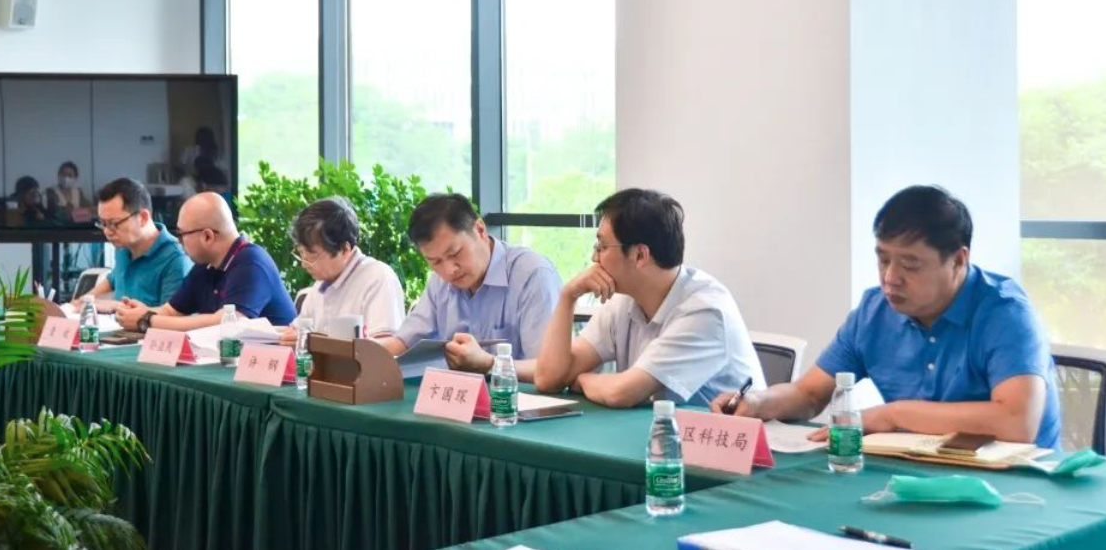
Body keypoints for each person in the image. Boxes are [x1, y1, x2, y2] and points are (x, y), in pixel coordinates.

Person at [712, 185, 1062, 448]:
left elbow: (1017, 422)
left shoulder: (1005, 313)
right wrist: (757, 402)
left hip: (1017, 487)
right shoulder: (874, 311)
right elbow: (809, 394)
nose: (890, 278)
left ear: (958, 260)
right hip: (918, 475)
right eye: (883, 260)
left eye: (910, 264)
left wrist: (893, 415)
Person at [534, 189, 764, 408]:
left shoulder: (705, 311)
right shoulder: (625, 301)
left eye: (602, 247)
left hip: (725, 434)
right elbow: (548, 379)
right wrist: (568, 297)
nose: (594, 258)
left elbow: (621, 393)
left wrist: (582, 379)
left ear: (640, 255)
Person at [380, 193, 561, 382]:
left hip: (520, 398)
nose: (449, 270)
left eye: (455, 253)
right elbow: (404, 342)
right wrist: (363, 353)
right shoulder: (440, 282)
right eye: (435, 262)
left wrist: (490, 364)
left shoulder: (533, 275)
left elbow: (551, 368)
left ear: (480, 230)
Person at [116, 192, 296, 333]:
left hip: (271, 363)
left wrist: (148, 320)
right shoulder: (205, 265)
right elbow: (171, 311)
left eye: (181, 234)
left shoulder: (251, 263)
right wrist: (141, 313)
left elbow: (228, 322)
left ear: (207, 236)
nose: (179, 241)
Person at [280, 197, 405, 345]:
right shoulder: (320, 285)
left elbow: (381, 349)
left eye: (312, 256)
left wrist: (313, 342)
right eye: (301, 253)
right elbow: (296, 331)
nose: (304, 264)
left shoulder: (378, 278)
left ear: (345, 250)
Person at [75, 178, 192, 314]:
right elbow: (113, 278)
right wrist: (82, 301)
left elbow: (173, 316)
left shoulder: (176, 259)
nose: (107, 231)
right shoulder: (123, 246)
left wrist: (116, 306)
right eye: (103, 224)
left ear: (143, 217)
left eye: (114, 224)